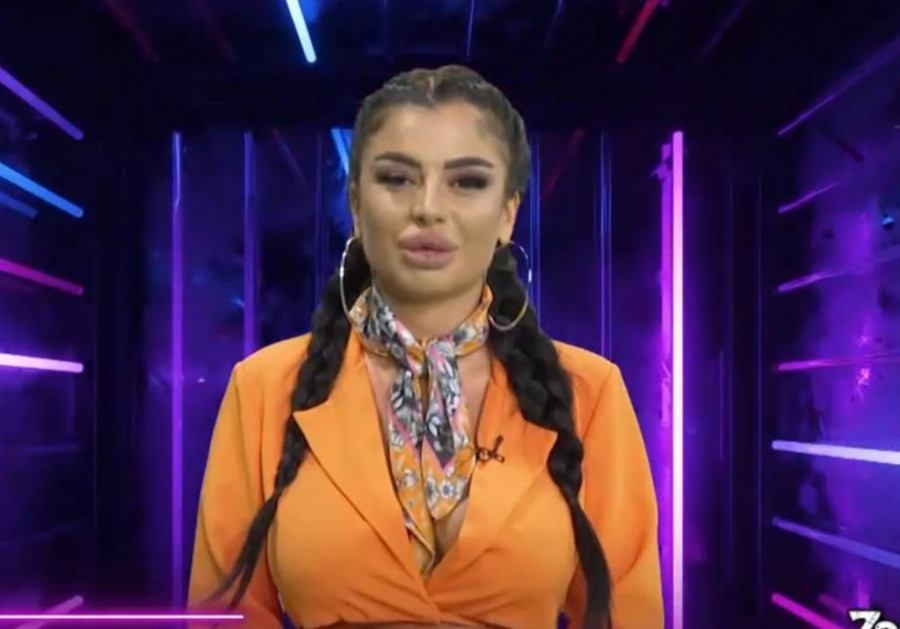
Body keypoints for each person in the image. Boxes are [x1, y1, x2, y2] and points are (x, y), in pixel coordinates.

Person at [188, 65, 663, 629]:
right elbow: (225, 615)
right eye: (397, 178)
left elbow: (626, 616)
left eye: (467, 182)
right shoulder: (264, 389)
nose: (429, 208)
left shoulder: (590, 392)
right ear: (356, 205)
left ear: (507, 214)